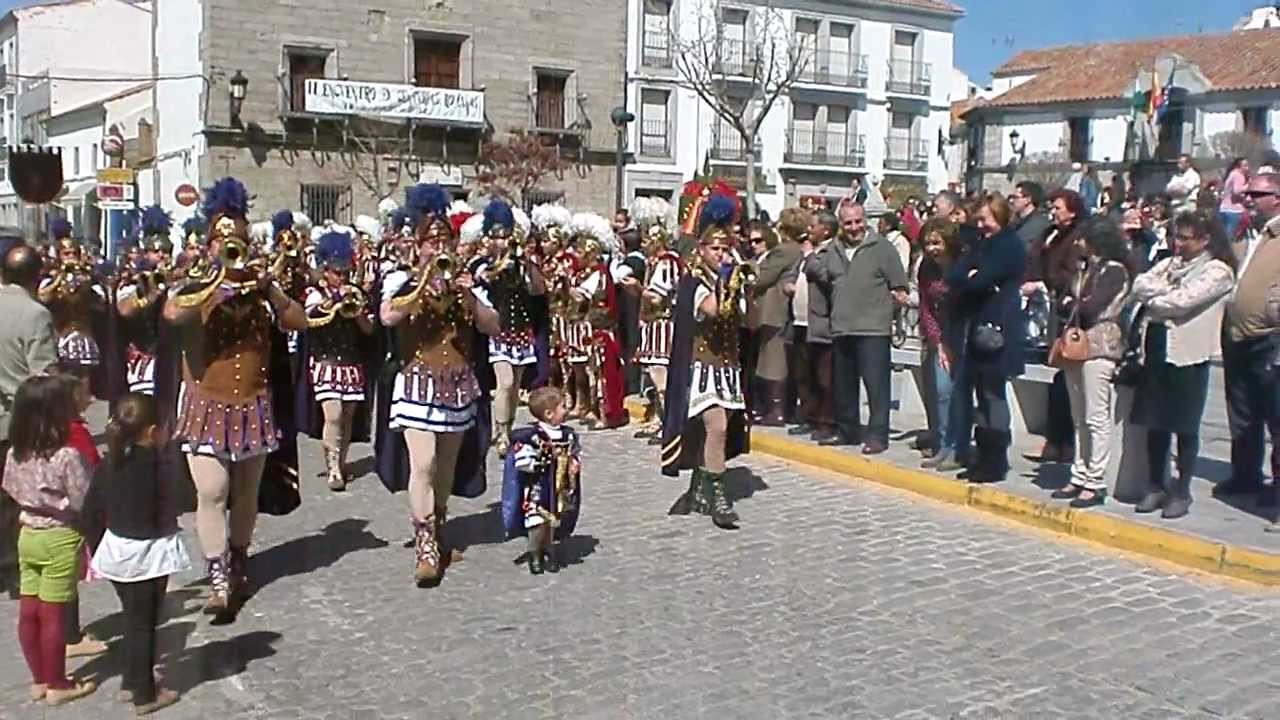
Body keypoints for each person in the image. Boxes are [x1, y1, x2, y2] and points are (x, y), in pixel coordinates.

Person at [162, 178, 308, 613]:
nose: (231, 248)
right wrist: (210, 281)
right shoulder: (194, 283)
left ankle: (239, 556)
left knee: (246, 492)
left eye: (238, 241)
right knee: (213, 490)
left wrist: (269, 287)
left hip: (254, 404)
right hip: (205, 403)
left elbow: (299, 321)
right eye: (223, 242)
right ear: (209, 246)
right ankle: (218, 572)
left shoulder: (261, 290)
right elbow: (172, 314)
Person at [378, 192, 501, 587]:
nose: (439, 247)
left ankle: (439, 522)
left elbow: (492, 325)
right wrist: (423, 281)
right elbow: (388, 316)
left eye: (444, 241)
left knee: (445, 467)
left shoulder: (467, 281)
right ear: (418, 245)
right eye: (432, 242)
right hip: (416, 382)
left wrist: (466, 293)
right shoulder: (401, 279)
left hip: (458, 383)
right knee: (424, 463)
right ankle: (425, 542)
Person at [83, 393, 187, 715]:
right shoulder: (160, 466)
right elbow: (182, 501)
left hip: (116, 552)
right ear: (154, 431)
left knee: (132, 619)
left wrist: (101, 546)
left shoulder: (108, 464)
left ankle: (131, 680)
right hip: (149, 555)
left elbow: (89, 513)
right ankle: (145, 693)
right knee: (145, 624)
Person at [1132, 211, 1236, 519]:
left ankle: (1182, 490)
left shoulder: (1217, 271)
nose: (1178, 243)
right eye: (1176, 236)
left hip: (1188, 353)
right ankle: (1155, 485)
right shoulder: (1169, 264)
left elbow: (1184, 302)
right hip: (1156, 348)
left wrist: (1159, 297)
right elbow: (1140, 283)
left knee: (1184, 424)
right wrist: (1163, 294)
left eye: (1185, 238)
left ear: (1204, 240)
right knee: (1155, 421)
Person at [1, 375, 96, 705]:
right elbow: (85, 498)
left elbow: (11, 489)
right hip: (59, 536)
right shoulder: (66, 456)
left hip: (27, 534)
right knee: (53, 612)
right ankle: (59, 683)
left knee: (29, 610)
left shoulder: (16, 453)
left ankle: (39, 679)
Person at [662, 193, 751, 530]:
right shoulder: (694, 282)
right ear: (701, 249)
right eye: (716, 249)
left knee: (712, 431)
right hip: (701, 367)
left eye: (725, 249)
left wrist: (743, 284)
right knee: (717, 427)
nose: (722, 254)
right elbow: (713, 309)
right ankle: (718, 496)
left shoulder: (728, 278)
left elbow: (746, 319)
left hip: (727, 365)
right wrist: (728, 279)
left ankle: (700, 489)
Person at [808, 201, 909, 454]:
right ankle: (847, 430)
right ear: (840, 225)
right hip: (842, 326)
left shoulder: (883, 248)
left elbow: (899, 285)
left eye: (858, 221)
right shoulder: (834, 249)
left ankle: (877, 435)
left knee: (876, 387)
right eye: (848, 223)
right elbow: (824, 277)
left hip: (873, 328)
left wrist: (895, 310)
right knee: (844, 386)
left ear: (865, 221)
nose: (854, 227)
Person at [1050, 218, 1133, 508]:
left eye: (1082, 239)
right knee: (1078, 415)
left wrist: (1073, 301)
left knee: (1096, 415)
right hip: (1077, 341)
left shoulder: (1114, 271)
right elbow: (1064, 298)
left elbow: (1091, 306)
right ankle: (1079, 471)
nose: (1077, 243)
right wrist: (1072, 299)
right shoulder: (1084, 269)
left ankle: (1095, 479)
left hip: (1100, 344)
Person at [946, 193, 1027, 484]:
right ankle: (982, 455)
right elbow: (955, 274)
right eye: (978, 219)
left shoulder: (1009, 245)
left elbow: (981, 279)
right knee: (981, 394)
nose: (980, 225)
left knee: (994, 394)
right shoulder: (981, 244)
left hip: (998, 327)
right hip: (977, 325)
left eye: (985, 219)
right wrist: (969, 275)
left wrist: (974, 277)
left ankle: (996, 459)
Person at [0, 244, 59, 599]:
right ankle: (15, 571)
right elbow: (43, 374)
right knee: (18, 498)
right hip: (17, 418)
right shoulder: (36, 314)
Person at [1217, 173, 1280, 505]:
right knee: (1241, 410)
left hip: (1269, 337)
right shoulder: (1245, 233)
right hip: (1236, 334)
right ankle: (1245, 475)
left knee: (1274, 414)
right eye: (1245, 193)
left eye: (1256, 193)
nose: (1248, 199)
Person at [300, 229, 376, 491]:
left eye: (345, 272)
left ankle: (341, 461)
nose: (341, 277)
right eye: (336, 272)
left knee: (347, 418)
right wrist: (333, 302)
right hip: (326, 362)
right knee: (332, 415)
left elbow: (368, 330)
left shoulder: (355, 293)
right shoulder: (314, 293)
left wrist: (356, 311)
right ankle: (332, 467)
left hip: (351, 364)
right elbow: (309, 319)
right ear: (326, 270)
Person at [1025, 189, 1086, 463]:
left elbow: (1068, 272)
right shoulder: (1052, 234)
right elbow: (1037, 259)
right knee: (1058, 378)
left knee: (1067, 380)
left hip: (1071, 312)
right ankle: (1055, 440)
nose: (1054, 212)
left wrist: (1049, 280)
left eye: (1059, 208)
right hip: (1056, 309)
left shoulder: (1078, 237)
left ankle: (1066, 443)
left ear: (1072, 211)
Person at [501, 386, 581, 575]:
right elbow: (521, 461)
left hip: (558, 487)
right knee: (536, 523)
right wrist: (535, 464)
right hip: (538, 487)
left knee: (553, 523)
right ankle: (534, 553)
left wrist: (574, 463)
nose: (566, 410)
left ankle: (549, 550)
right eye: (562, 407)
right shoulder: (532, 437)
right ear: (549, 414)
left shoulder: (567, 434)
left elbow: (574, 453)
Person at [916, 218, 963, 465]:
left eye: (937, 243)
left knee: (961, 393)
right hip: (940, 334)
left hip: (964, 332)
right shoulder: (927, 267)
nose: (932, 249)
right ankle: (944, 444)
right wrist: (938, 341)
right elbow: (926, 306)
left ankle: (958, 446)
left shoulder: (962, 264)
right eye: (927, 244)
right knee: (942, 391)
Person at [749, 220, 802, 426]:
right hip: (766, 314)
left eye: (758, 240)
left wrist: (744, 270)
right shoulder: (781, 252)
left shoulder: (783, 251)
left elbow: (761, 277)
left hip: (775, 313)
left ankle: (777, 410)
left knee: (774, 362)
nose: (753, 245)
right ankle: (770, 407)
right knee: (766, 361)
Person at [796, 210, 838, 442]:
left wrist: (810, 256)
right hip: (802, 321)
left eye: (813, 226)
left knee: (825, 378)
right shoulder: (808, 250)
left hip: (822, 323)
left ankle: (827, 421)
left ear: (826, 229)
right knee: (807, 374)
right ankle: (809, 416)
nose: (809, 230)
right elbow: (797, 271)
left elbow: (825, 276)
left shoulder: (831, 251)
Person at [1009, 181, 1049, 248]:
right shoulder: (1014, 222)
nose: (1011, 201)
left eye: (1015, 197)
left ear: (1028, 199)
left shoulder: (1038, 225)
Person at [1219, 158, 1251, 240]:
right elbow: (1237, 191)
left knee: (1223, 238)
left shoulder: (1231, 174)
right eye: (1245, 166)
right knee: (1229, 239)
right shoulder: (1239, 175)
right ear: (1238, 166)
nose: (1247, 168)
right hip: (1234, 210)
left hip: (1224, 209)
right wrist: (1249, 185)